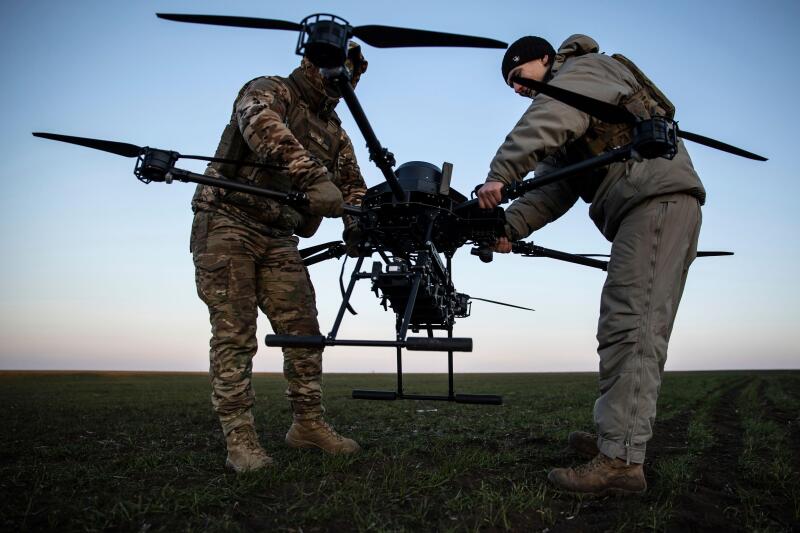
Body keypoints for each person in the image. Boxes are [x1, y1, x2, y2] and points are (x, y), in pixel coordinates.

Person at [477, 35, 704, 494]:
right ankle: (614, 438)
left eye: (519, 79)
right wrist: (508, 229)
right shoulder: (577, 110)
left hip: (655, 202)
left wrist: (500, 174)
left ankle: (620, 463)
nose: (518, 91)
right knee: (619, 325)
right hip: (639, 208)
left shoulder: (585, 73)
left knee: (634, 327)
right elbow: (553, 188)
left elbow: (547, 119)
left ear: (544, 59)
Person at [189, 43, 369, 472]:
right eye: (333, 71)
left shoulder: (336, 131)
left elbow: (353, 184)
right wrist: (310, 175)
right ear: (313, 66)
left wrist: (358, 223)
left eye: (349, 76)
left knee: (303, 331)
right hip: (227, 221)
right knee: (235, 333)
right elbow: (259, 122)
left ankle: (307, 424)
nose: (338, 82)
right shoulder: (272, 90)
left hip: (280, 234)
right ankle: (241, 440)